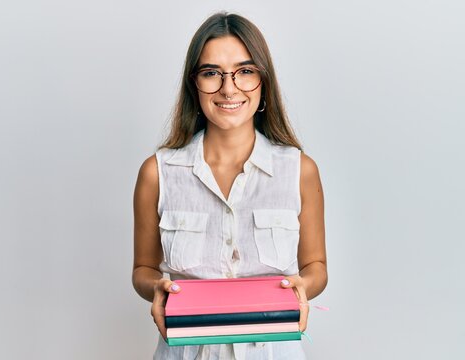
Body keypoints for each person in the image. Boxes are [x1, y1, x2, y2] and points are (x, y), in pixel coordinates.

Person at [132, 11, 327, 360]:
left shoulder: (299, 170)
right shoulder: (157, 173)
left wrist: (304, 286)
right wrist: (156, 288)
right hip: (187, 351)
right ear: (194, 84)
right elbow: (143, 270)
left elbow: (316, 266)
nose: (228, 88)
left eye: (245, 71)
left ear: (263, 81)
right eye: (211, 73)